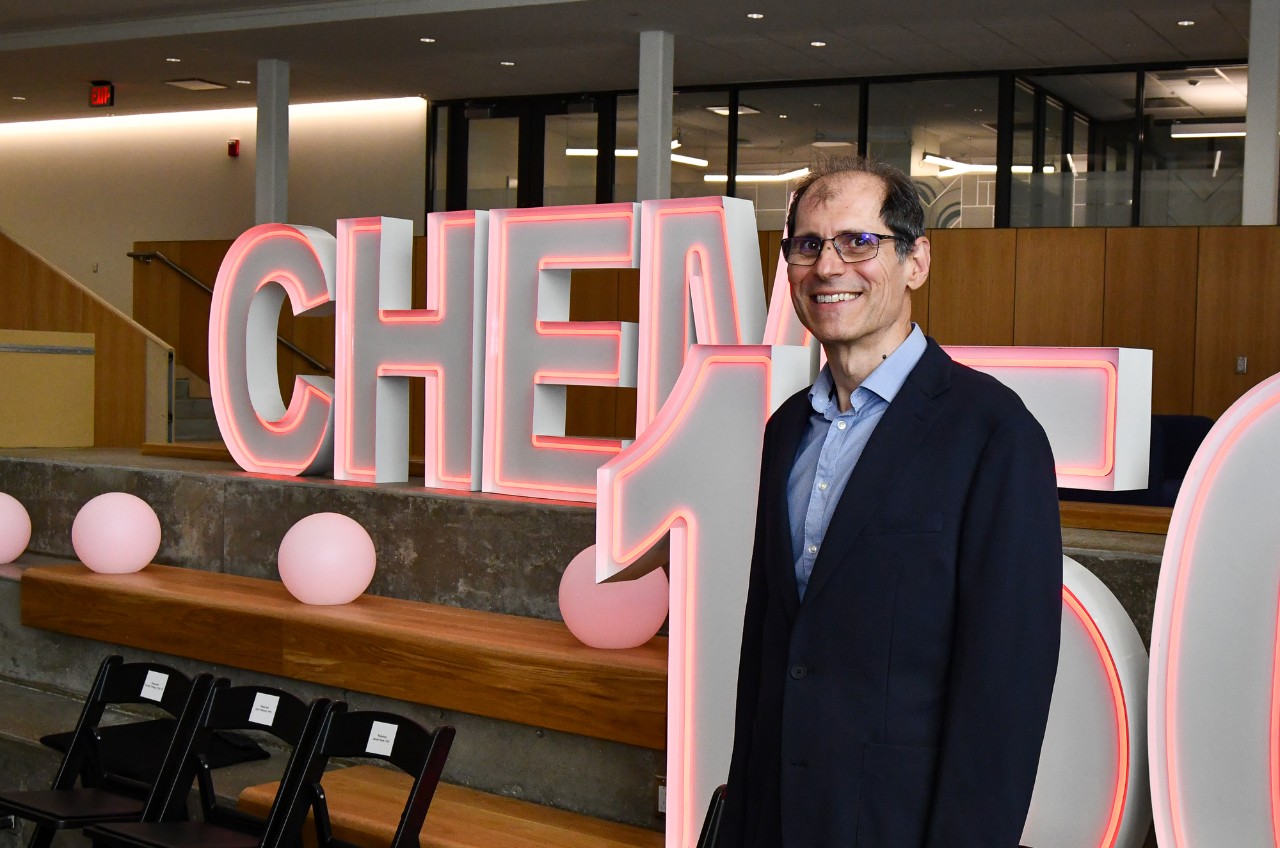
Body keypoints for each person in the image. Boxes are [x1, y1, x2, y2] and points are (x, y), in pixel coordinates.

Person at [719, 156, 1062, 847]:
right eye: (807, 245)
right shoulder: (786, 429)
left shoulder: (995, 433)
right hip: (777, 817)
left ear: (916, 261)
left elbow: (1005, 692)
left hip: (897, 824)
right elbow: (768, 651)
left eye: (859, 242)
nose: (828, 266)